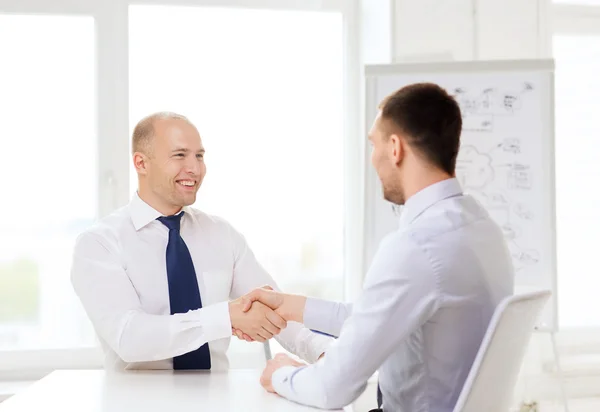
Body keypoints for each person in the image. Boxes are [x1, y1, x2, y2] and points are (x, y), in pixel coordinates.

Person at [242, 83, 515, 411]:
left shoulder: (415, 247)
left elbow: (331, 390)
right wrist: (290, 305)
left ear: (395, 148)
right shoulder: (481, 229)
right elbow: (380, 315)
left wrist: (280, 374)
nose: (373, 158)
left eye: (374, 144)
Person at [70, 112, 332, 371]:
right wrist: (225, 317)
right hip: (138, 403)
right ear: (141, 163)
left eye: (199, 156)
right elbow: (129, 337)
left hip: (218, 399)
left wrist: (325, 354)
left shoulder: (221, 234)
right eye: (179, 155)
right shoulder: (99, 244)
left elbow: (276, 308)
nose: (194, 168)